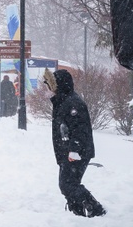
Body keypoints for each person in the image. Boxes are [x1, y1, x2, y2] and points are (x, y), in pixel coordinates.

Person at [44, 69, 106, 218]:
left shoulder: (72, 103)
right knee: (69, 184)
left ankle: (96, 209)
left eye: (51, 86)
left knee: (68, 184)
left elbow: (80, 129)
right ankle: (77, 213)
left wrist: (74, 150)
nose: (48, 90)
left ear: (59, 85)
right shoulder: (63, 100)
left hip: (77, 152)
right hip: (69, 151)